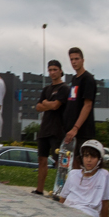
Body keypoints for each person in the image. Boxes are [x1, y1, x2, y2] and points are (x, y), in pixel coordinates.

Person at [33, 60, 69, 195]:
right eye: (50, 70)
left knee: (59, 161)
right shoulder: (46, 89)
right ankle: (39, 189)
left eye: (55, 69)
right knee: (42, 159)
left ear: (60, 71)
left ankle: (61, 191)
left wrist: (46, 103)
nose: (52, 72)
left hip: (57, 129)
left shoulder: (64, 88)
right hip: (44, 129)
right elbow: (37, 107)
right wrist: (49, 104)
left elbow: (55, 106)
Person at [58, 139, 109, 217]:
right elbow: (63, 198)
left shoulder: (103, 175)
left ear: (99, 159)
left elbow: (105, 203)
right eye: (86, 156)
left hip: (89, 215)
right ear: (82, 157)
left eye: (93, 157)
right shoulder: (73, 174)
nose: (89, 160)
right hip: (69, 211)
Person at [61, 47, 96, 170]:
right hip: (70, 129)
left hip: (83, 130)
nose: (74, 62)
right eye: (71, 59)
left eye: (76, 59)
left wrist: (76, 128)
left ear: (83, 60)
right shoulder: (74, 79)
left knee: (83, 163)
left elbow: (87, 105)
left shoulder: (88, 79)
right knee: (73, 163)